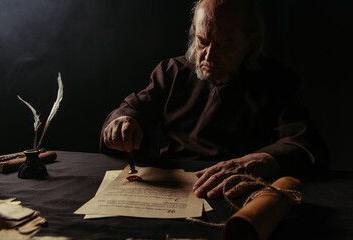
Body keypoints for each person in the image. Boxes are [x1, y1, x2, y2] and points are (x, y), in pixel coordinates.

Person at [101, 0, 329, 199]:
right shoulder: (172, 72)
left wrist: (264, 160)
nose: (209, 57)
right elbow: (133, 108)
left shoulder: (277, 81)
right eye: (202, 41)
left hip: (239, 191)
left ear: (250, 42)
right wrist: (123, 121)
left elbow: (306, 144)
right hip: (175, 189)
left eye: (224, 44)